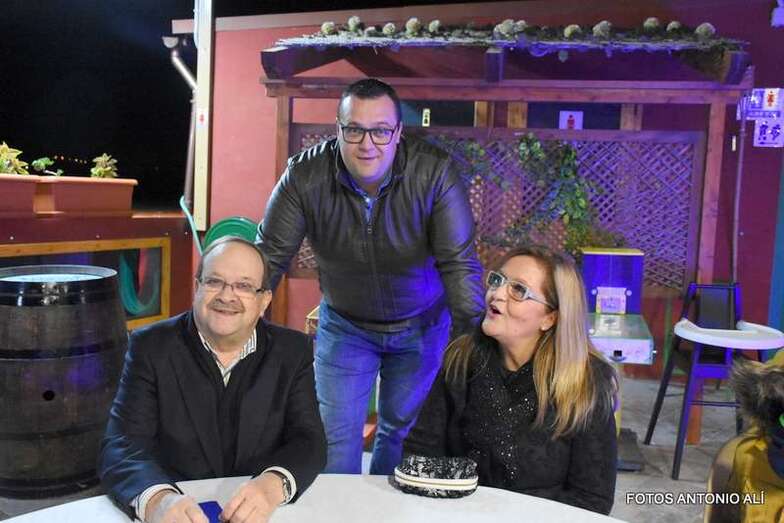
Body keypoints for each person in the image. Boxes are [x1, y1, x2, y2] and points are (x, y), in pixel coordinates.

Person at [257, 78, 484, 475]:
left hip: (422, 325)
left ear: (398, 132)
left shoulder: (434, 173)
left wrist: (477, 347)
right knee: (333, 439)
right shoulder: (304, 176)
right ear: (338, 129)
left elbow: (458, 262)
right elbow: (269, 257)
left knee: (403, 437)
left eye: (380, 131)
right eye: (354, 129)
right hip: (346, 325)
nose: (367, 144)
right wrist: (238, 325)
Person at [99, 237, 326, 523]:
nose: (227, 296)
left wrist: (272, 484)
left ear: (264, 300)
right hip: (179, 510)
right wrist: (158, 500)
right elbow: (121, 445)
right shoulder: (151, 346)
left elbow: (308, 439)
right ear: (197, 288)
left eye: (244, 286)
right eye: (214, 281)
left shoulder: (292, 352)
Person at [403, 245, 618, 515]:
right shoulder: (463, 357)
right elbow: (420, 453)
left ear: (549, 318)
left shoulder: (584, 382)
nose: (497, 293)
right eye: (498, 280)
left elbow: (592, 500)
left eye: (518, 290)